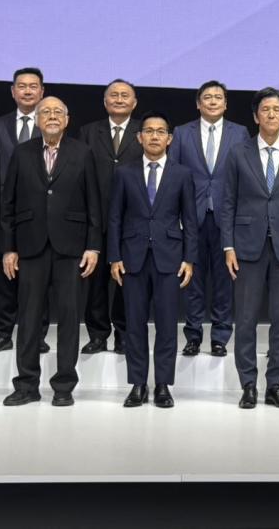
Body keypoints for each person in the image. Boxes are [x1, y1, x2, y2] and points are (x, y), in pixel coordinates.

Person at [0, 97, 100, 407]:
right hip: (30, 246)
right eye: (46, 112)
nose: (52, 116)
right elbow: (8, 204)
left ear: (67, 120)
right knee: (29, 318)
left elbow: (94, 203)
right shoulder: (22, 152)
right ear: (37, 119)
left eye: (58, 112)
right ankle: (26, 385)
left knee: (69, 319)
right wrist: (8, 248)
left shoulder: (83, 153)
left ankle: (64, 386)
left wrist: (93, 246)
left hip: (71, 248)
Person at [220, 88, 279, 409]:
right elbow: (227, 202)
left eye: (277, 110)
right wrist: (228, 245)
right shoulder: (238, 152)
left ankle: (275, 384)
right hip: (247, 246)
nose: (271, 114)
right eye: (265, 109)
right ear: (255, 116)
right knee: (245, 319)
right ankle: (248, 384)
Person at [107, 112, 197, 408]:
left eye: (160, 131)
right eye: (149, 131)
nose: (155, 136)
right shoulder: (125, 172)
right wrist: (114, 256)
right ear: (139, 137)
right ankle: (137, 384)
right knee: (134, 324)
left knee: (167, 325)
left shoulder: (182, 174)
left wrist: (189, 258)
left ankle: (162, 385)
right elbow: (115, 217)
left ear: (169, 139)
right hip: (132, 258)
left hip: (169, 258)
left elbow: (190, 220)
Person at [169, 81, 248, 358]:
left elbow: (246, 175)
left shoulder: (240, 132)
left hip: (227, 217)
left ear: (226, 103)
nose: (213, 101)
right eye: (207, 97)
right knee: (192, 279)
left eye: (218, 97)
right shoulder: (182, 133)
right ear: (198, 103)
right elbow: (173, 174)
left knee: (225, 280)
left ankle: (220, 336)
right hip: (192, 216)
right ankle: (193, 335)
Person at [0, 68, 48, 355]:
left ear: (42, 91)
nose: (28, 91)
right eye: (22, 86)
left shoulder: (50, 123)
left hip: (40, 210)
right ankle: (3, 333)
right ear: (13, 91)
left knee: (38, 278)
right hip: (5, 210)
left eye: (33, 86)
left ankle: (37, 335)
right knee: (5, 276)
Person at [78, 79, 142, 355]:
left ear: (134, 103)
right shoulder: (89, 132)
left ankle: (124, 334)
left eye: (124, 95)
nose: (119, 99)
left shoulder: (144, 130)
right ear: (105, 102)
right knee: (95, 282)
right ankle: (97, 334)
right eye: (113, 95)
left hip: (133, 219)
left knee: (127, 280)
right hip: (97, 217)